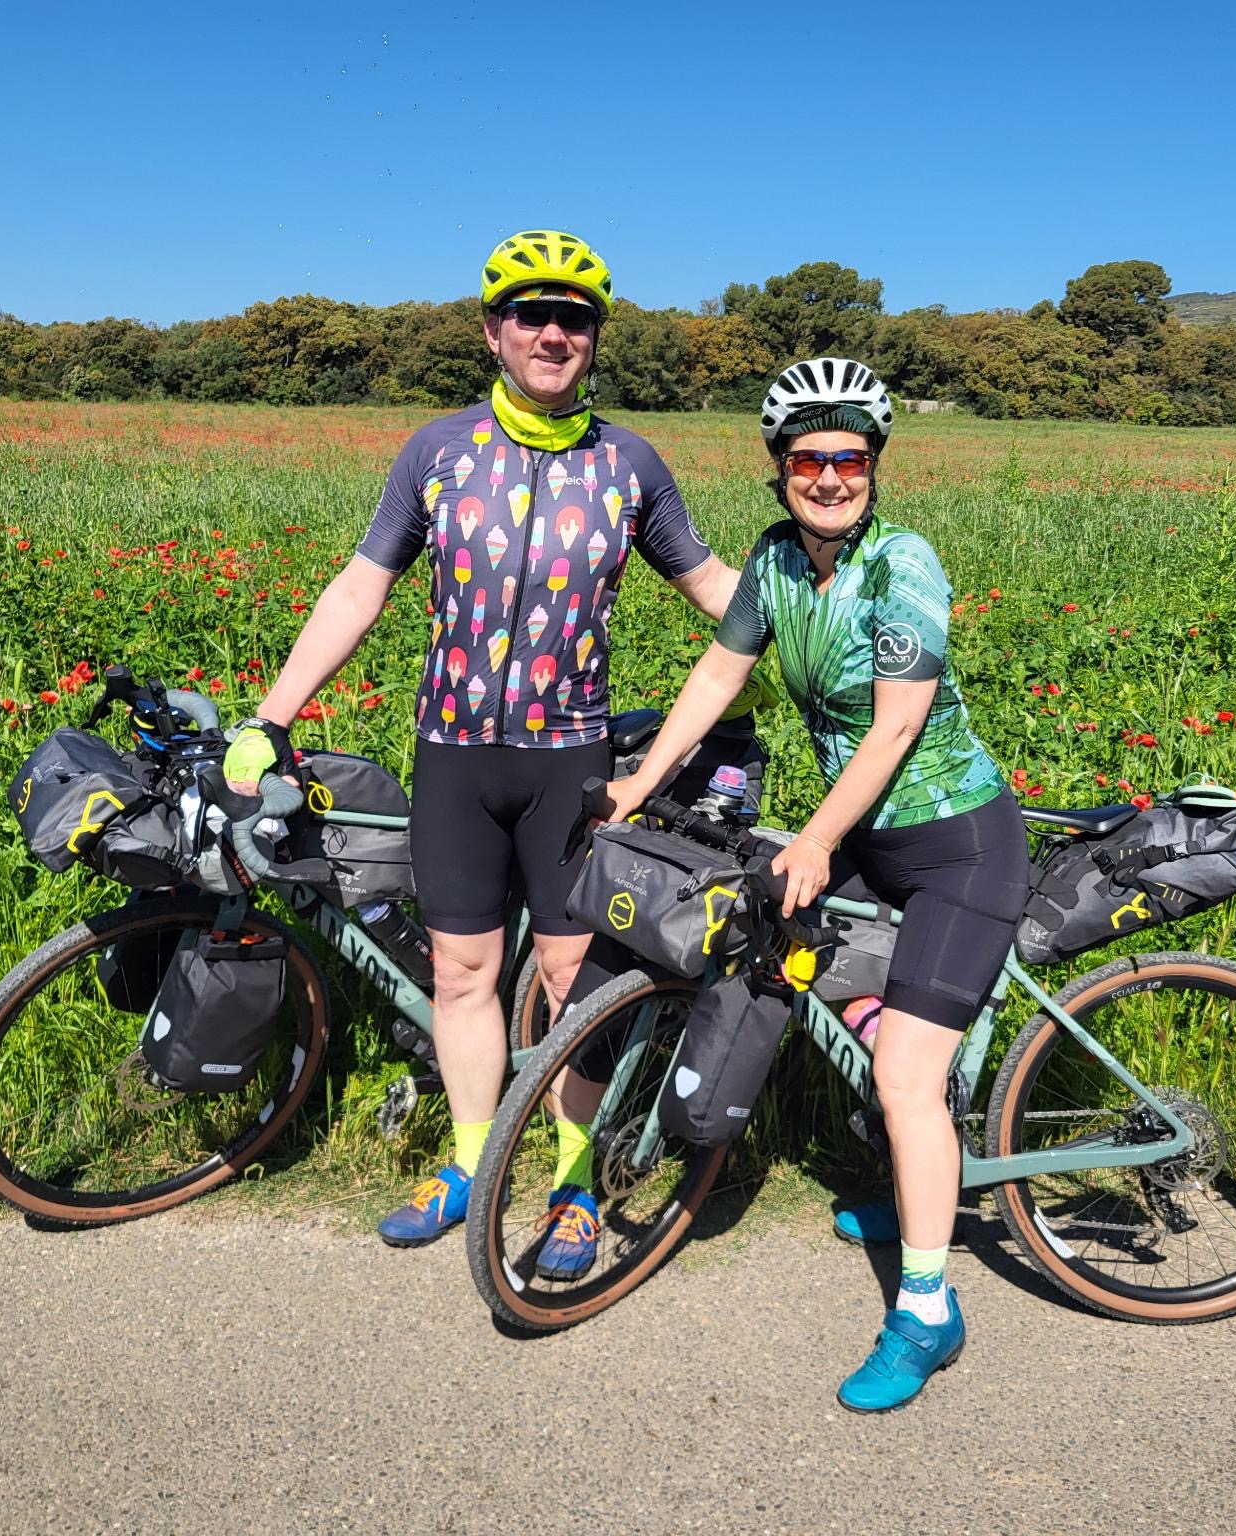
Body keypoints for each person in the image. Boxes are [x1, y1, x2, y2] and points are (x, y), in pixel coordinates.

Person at [222, 230, 738, 1267]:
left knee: (568, 976)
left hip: (567, 763)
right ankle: (469, 1161)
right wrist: (269, 716)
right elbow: (360, 586)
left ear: (594, 338)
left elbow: (720, 593)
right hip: (454, 755)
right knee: (462, 973)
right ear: (493, 332)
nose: (554, 333)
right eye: (531, 315)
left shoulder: (628, 465)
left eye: (575, 318)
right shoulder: (438, 452)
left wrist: (846, 648)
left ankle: (570, 1184)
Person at [603, 356, 1030, 1412]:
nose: (829, 476)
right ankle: (914, 1178)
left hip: (955, 844)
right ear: (778, 469)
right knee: (792, 964)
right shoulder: (773, 564)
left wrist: (814, 841)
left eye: (848, 457)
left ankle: (926, 1311)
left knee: (900, 1077)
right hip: (868, 838)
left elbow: (893, 726)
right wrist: (637, 782)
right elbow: (717, 673)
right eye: (808, 458)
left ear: (874, 466)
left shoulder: (902, 566)